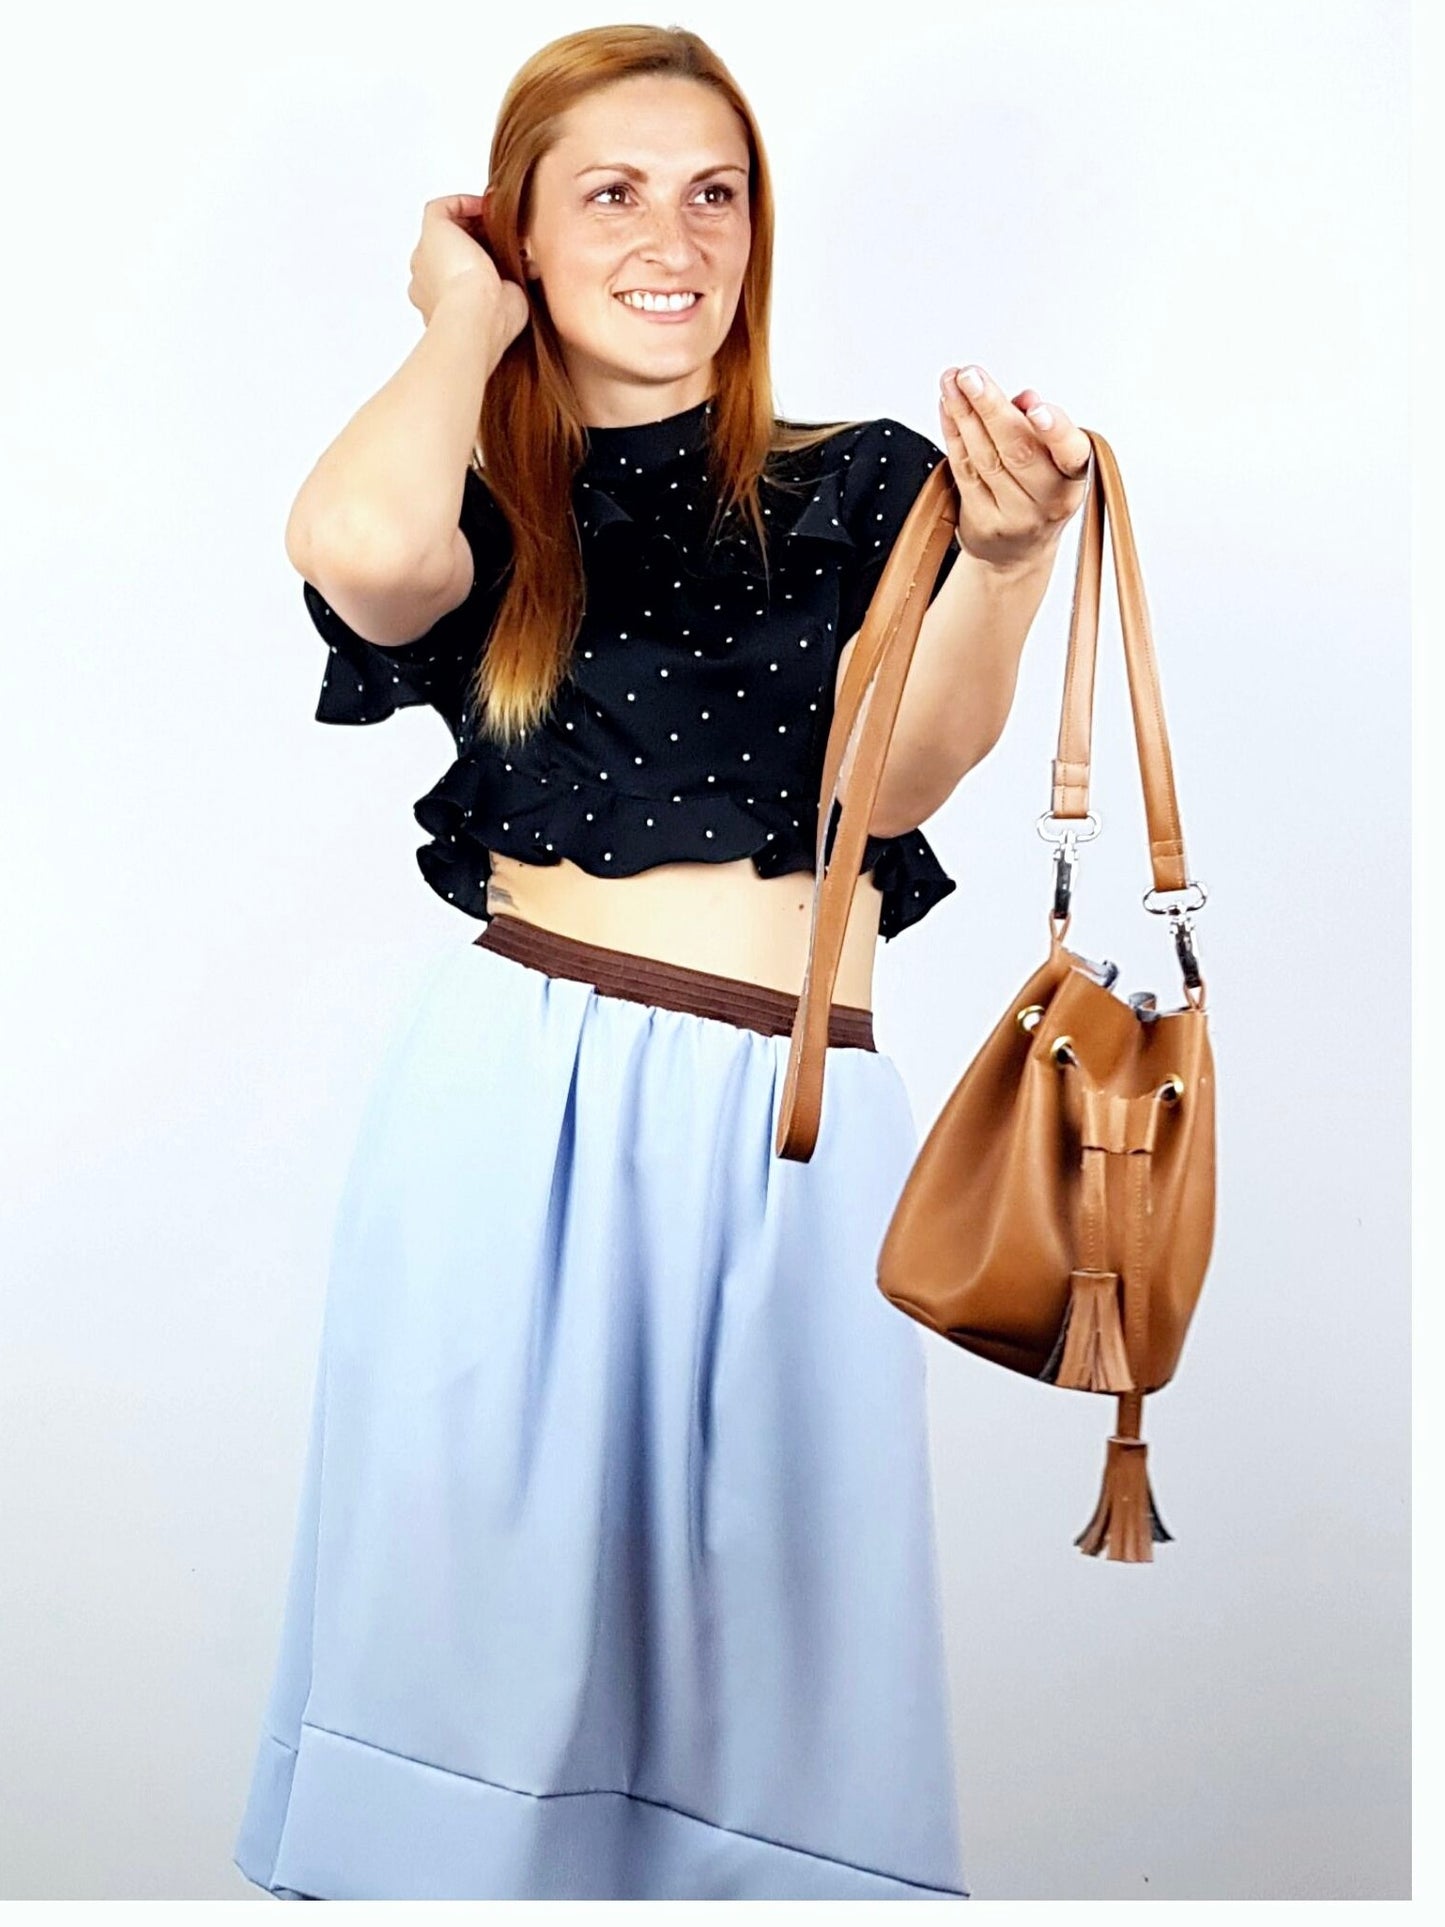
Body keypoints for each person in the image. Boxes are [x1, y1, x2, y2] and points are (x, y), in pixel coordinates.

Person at [231, 22, 1088, 1905]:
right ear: (519, 228)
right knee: (474, 1612)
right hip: (510, 1100)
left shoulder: (862, 480)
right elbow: (357, 549)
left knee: (782, 1644)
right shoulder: (479, 498)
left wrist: (1009, 563)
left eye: (715, 194)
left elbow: (896, 782)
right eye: (608, 194)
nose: (673, 238)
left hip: (787, 1119)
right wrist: (461, 318)